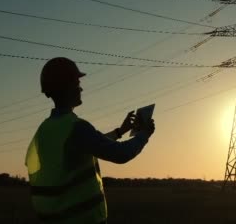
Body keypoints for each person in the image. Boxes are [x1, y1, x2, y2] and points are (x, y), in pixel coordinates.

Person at [25, 57, 155, 223]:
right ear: (67, 86)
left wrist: (119, 131)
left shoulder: (45, 129)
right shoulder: (76, 127)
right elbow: (121, 154)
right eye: (77, 82)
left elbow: (85, 147)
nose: (81, 88)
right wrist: (144, 135)